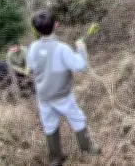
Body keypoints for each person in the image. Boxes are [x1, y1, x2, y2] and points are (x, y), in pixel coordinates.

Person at [27, 10, 100, 165]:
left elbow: (33, 67)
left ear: (36, 30)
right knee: (78, 119)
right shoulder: (62, 48)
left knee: (49, 125)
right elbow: (80, 66)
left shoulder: (33, 47)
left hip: (44, 96)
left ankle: (55, 158)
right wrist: (80, 48)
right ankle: (88, 149)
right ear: (56, 25)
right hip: (62, 96)